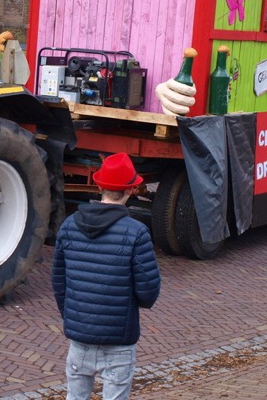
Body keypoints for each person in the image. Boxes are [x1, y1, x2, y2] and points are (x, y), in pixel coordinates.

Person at [52, 153, 161, 400]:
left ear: (99, 185)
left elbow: (59, 283)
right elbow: (148, 293)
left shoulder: (69, 226)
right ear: (132, 189)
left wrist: (73, 314)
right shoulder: (137, 233)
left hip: (80, 337)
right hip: (119, 340)